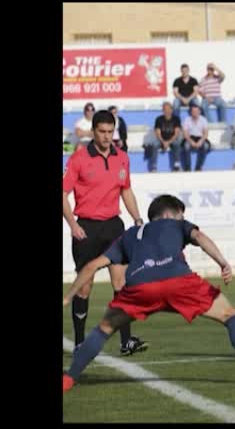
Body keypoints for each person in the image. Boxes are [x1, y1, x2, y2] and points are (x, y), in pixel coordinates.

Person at [62, 195, 235, 392]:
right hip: (178, 282)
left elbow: (91, 266)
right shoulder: (177, 225)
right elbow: (200, 237)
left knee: (103, 329)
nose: (181, 219)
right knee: (230, 316)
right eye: (180, 216)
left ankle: (69, 379)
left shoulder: (129, 235)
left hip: (140, 288)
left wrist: (68, 296)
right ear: (168, 214)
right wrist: (222, 262)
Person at [63, 110, 148, 356]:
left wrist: (137, 218)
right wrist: (73, 225)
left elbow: (126, 191)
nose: (107, 136)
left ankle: (126, 341)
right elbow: (63, 195)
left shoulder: (122, 157)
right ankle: (79, 342)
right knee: (84, 287)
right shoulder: (79, 159)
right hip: (87, 228)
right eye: (102, 132)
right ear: (93, 131)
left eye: (110, 132)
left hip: (114, 227)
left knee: (121, 282)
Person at [147, 102, 183, 172]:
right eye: (165, 109)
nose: (167, 111)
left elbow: (176, 133)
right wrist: (163, 142)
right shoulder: (159, 119)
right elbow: (158, 133)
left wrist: (168, 142)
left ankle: (177, 166)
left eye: (168, 109)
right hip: (161, 139)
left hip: (172, 139)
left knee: (177, 144)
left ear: (171, 110)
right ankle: (153, 166)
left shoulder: (176, 119)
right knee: (154, 145)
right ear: (162, 111)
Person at [181, 104, 212, 171]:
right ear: (191, 112)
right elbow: (185, 133)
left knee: (206, 146)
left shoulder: (203, 119)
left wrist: (200, 142)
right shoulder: (187, 119)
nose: (195, 113)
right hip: (190, 137)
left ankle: (198, 166)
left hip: (200, 138)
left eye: (197, 111)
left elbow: (206, 133)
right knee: (186, 146)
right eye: (193, 111)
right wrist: (191, 141)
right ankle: (188, 167)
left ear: (199, 112)